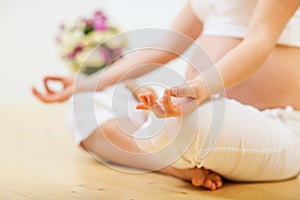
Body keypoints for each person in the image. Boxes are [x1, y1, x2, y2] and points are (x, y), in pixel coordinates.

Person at [32, 0, 300, 191]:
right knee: (84, 105)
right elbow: (165, 47)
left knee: (185, 122)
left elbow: (259, 41)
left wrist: (198, 89)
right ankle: (175, 166)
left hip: (275, 124)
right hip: (199, 107)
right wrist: (83, 83)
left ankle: (168, 140)